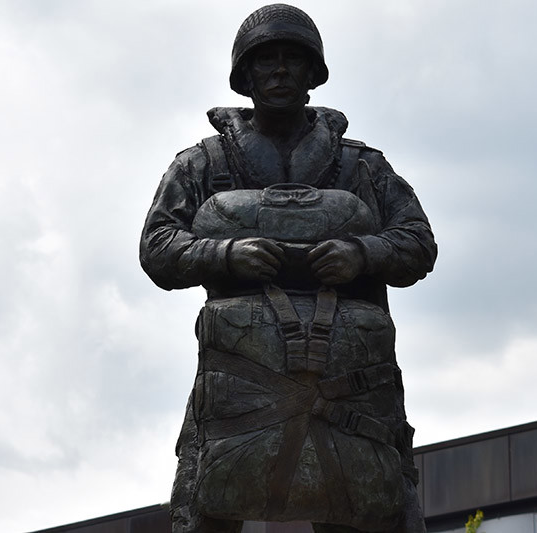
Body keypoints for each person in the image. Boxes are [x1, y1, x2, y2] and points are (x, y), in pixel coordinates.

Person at [140, 5, 437, 532]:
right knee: (207, 505)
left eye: (291, 60)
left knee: (377, 505)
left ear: (311, 74)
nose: (278, 71)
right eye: (266, 61)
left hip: (352, 379)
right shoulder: (202, 165)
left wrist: (362, 254)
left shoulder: (360, 165)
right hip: (241, 378)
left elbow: (417, 242)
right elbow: (158, 247)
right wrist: (227, 255)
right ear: (245, 77)